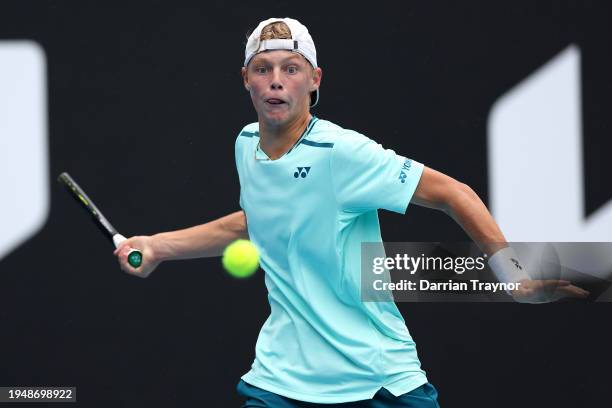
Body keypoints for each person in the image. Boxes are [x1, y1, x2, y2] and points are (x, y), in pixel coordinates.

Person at [114, 17, 589, 407]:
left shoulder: (342, 152)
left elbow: (453, 192)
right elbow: (258, 219)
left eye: (291, 68)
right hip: (282, 379)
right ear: (246, 80)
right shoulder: (245, 146)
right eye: (262, 68)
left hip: (375, 380)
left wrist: (512, 276)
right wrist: (158, 246)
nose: (276, 80)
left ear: (314, 80)